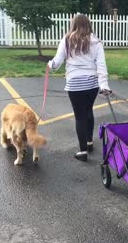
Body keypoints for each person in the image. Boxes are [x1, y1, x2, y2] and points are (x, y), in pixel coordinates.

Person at [47, 14, 111, 162]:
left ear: (73, 24)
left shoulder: (67, 40)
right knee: (88, 110)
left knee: (80, 116)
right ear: (88, 24)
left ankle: (83, 151)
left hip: (74, 84)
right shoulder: (96, 42)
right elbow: (101, 66)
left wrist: (50, 65)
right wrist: (104, 85)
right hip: (92, 85)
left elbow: (57, 62)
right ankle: (89, 141)